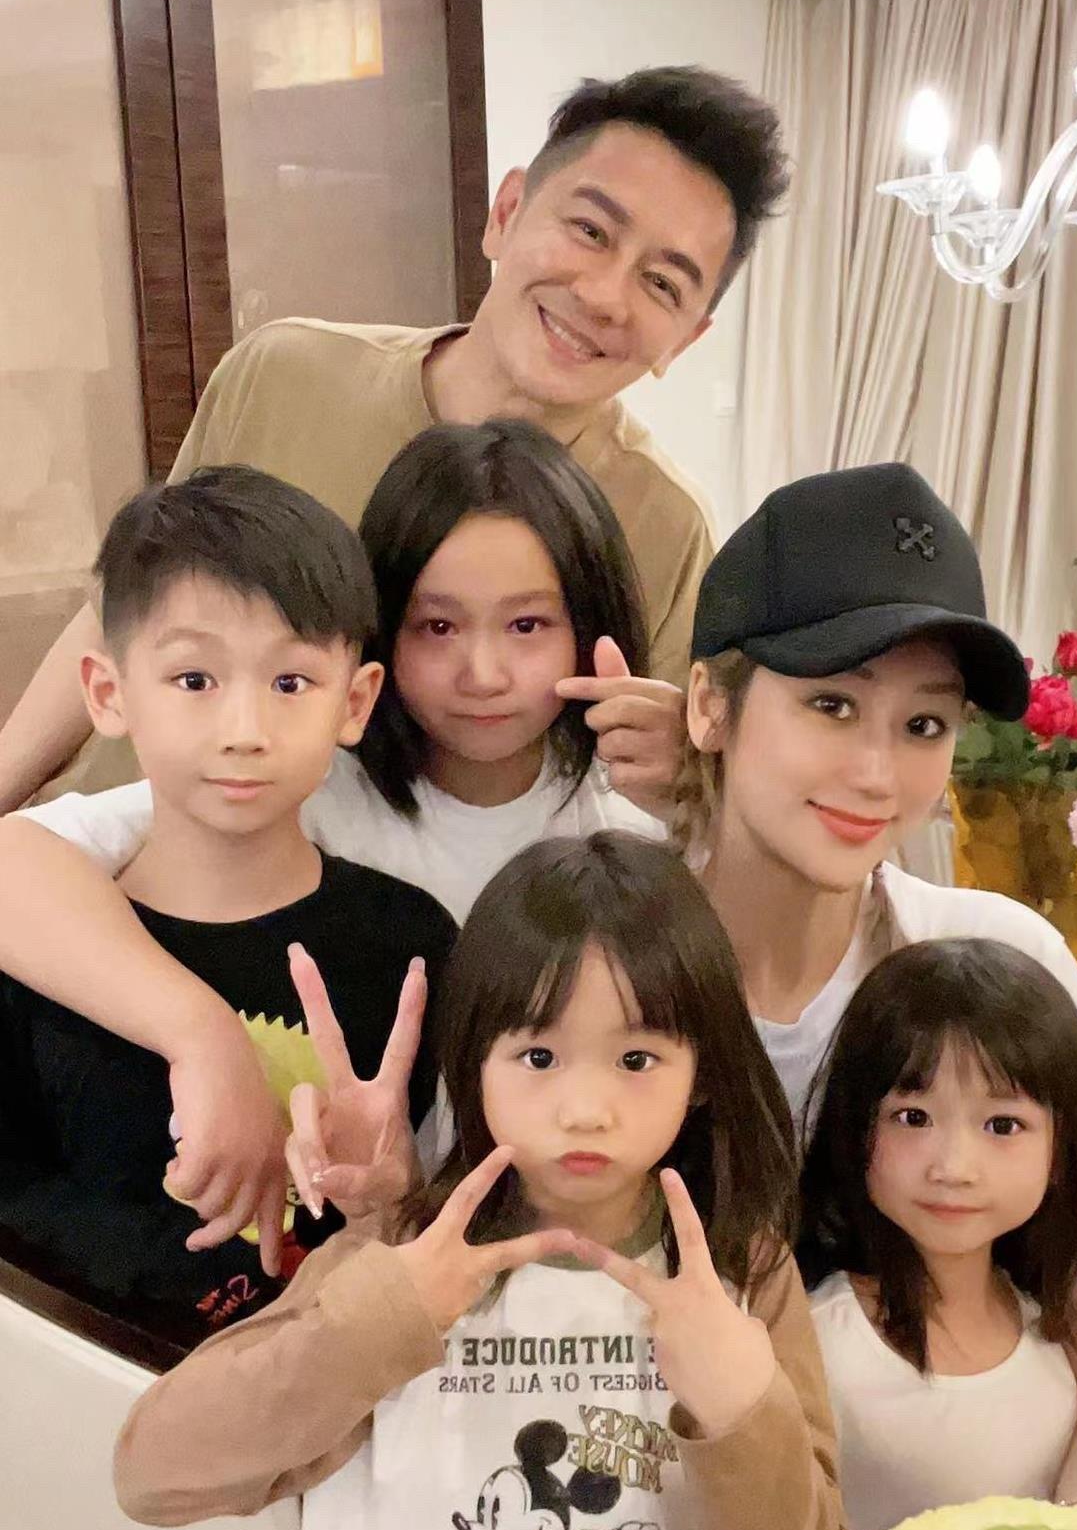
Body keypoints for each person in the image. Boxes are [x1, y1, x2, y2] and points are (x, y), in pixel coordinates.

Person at [113, 832, 849, 1530]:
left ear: (701, 1073)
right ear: (474, 1064)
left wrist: (739, 1411)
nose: (585, 1109)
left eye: (637, 1059)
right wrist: (381, 1310)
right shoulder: (403, 1258)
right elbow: (154, 1474)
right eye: (537, 1057)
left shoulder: (738, 1266)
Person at [0, 66, 790, 812]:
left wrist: (678, 774)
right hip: (88, 845)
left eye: (662, 283)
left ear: (687, 336)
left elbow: (645, 785)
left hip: (339, 905)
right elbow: (118, 611)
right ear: (506, 212)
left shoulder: (663, 525)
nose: (604, 295)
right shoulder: (283, 374)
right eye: (589, 230)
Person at [675, 460, 1077, 1530]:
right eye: (830, 704)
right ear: (707, 706)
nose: (877, 773)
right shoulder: (608, 977)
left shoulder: (999, 962)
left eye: (923, 725)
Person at [0, 420, 670, 1248]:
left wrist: (706, 796)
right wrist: (205, 1036)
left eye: (527, 625)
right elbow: (18, 862)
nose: (483, 674)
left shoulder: (628, 833)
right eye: (437, 626)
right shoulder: (293, 784)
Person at [0, 469, 456, 1338]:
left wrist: (384, 1207)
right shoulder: (35, 960)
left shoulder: (413, 946)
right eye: (194, 679)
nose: (244, 730)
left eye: (290, 683)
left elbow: (448, 1223)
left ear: (355, 701)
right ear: (108, 693)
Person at [799, 938, 1077, 1530]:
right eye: (912, 1117)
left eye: (1003, 1125)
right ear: (855, 1129)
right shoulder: (824, 1340)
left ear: (1061, 1148)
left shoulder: (1051, 1301)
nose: (953, 1167)